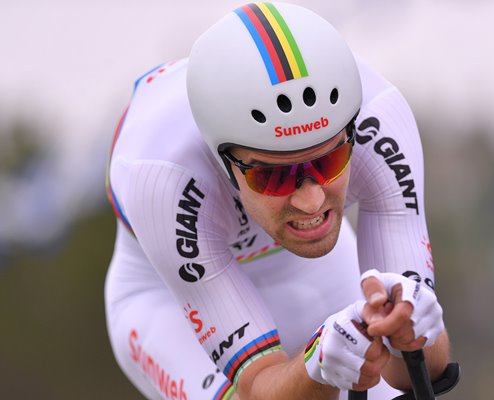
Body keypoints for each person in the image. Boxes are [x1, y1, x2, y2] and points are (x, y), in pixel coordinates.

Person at [105, 2, 450, 400]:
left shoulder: (380, 119)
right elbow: (257, 389)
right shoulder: (164, 176)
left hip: (313, 271)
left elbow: (421, 373)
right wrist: (317, 368)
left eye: (330, 161)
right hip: (170, 297)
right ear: (222, 159)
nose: (311, 199)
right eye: (273, 175)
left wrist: (416, 333)